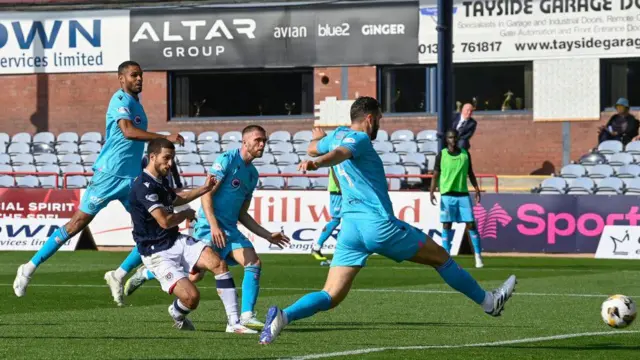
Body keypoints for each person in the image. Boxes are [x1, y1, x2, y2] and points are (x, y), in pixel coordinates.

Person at [258, 96, 516, 345]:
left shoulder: (337, 133)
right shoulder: (358, 138)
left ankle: (284, 316)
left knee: (331, 295)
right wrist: (317, 164)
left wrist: (316, 140)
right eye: (379, 118)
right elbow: (338, 154)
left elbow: (316, 146)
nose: (380, 124)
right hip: (378, 226)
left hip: (350, 230)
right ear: (369, 119)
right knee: (441, 257)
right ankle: (489, 303)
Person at [12, 61, 185, 302]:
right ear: (121, 79)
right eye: (134, 75)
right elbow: (128, 132)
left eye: (141, 75)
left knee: (155, 229)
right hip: (109, 175)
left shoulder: (136, 104)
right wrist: (165, 137)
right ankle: (28, 268)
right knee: (76, 224)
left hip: (132, 178)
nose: (139, 79)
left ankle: (119, 273)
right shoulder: (120, 101)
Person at [123, 125, 290, 331]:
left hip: (222, 231)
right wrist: (212, 225)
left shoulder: (252, 175)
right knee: (195, 280)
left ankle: (241, 319)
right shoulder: (227, 160)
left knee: (247, 263)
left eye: (264, 140)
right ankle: (150, 274)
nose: (262, 144)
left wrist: (267, 235)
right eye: (258, 140)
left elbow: (239, 212)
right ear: (245, 142)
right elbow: (196, 203)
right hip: (204, 229)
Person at [129, 138, 255, 333]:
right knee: (192, 298)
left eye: (172, 158)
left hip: (174, 240)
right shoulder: (143, 187)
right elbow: (164, 220)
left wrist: (204, 189)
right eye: (166, 158)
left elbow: (177, 198)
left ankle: (234, 323)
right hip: (155, 252)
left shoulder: (160, 180)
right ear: (152, 157)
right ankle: (177, 311)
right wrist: (185, 215)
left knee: (218, 264)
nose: (170, 163)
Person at [122, 154, 185, 297]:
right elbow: (141, 178)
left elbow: (173, 172)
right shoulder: (147, 161)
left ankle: (145, 273)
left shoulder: (167, 161)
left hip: (164, 198)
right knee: (153, 239)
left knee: (189, 267)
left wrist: (177, 185)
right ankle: (141, 272)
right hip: (150, 202)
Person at [429, 129, 484, 268]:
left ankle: (478, 256)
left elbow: (470, 173)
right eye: (450, 138)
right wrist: (432, 191)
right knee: (447, 224)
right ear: (446, 140)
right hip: (447, 195)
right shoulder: (441, 155)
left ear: (458, 138)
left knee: (471, 224)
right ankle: (446, 257)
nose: (452, 140)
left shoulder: (465, 155)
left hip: (462, 194)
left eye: (454, 137)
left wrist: (476, 188)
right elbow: (435, 174)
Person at [310, 167, 342, 263]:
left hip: (339, 191)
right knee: (336, 220)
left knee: (342, 220)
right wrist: (341, 188)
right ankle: (317, 247)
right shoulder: (339, 157)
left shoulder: (339, 155)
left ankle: (344, 250)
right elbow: (336, 172)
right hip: (338, 192)